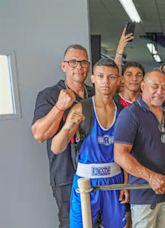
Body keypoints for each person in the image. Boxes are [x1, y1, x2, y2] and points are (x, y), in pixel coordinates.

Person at [51, 58, 128, 228]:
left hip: (115, 181)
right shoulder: (81, 109)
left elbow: (128, 152)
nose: (105, 82)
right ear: (92, 78)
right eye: (100, 76)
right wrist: (67, 128)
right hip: (86, 181)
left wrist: (126, 183)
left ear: (118, 80)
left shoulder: (123, 112)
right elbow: (56, 147)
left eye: (111, 77)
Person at [32, 44, 94, 228]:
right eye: (73, 62)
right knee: (71, 224)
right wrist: (60, 107)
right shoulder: (50, 95)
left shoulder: (96, 94)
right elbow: (39, 134)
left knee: (98, 222)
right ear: (63, 66)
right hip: (66, 175)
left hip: (95, 171)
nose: (78, 66)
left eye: (83, 62)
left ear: (89, 66)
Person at [114, 69, 165, 228]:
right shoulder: (130, 114)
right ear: (143, 86)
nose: (160, 92)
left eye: (164, 87)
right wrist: (150, 177)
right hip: (144, 195)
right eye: (155, 86)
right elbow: (120, 155)